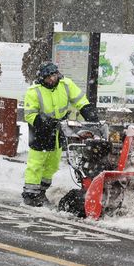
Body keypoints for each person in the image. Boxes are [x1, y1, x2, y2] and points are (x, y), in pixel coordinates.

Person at [22, 62, 99, 207]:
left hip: (58, 131)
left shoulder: (66, 84)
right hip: (40, 131)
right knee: (36, 164)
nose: (52, 79)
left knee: (52, 164)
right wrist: (45, 122)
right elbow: (30, 115)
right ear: (42, 79)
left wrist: (89, 113)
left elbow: (80, 100)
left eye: (54, 75)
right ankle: (30, 194)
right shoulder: (34, 91)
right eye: (48, 77)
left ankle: (41, 191)